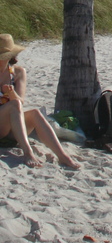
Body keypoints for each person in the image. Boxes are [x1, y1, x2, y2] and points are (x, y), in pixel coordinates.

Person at [0, 34, 80, 169]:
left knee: (35, 113)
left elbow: (20, 101)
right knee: (14, 105)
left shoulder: (18, 72)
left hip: (12, 126)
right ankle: (28, 152)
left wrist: (11, 93)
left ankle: (63, 156)